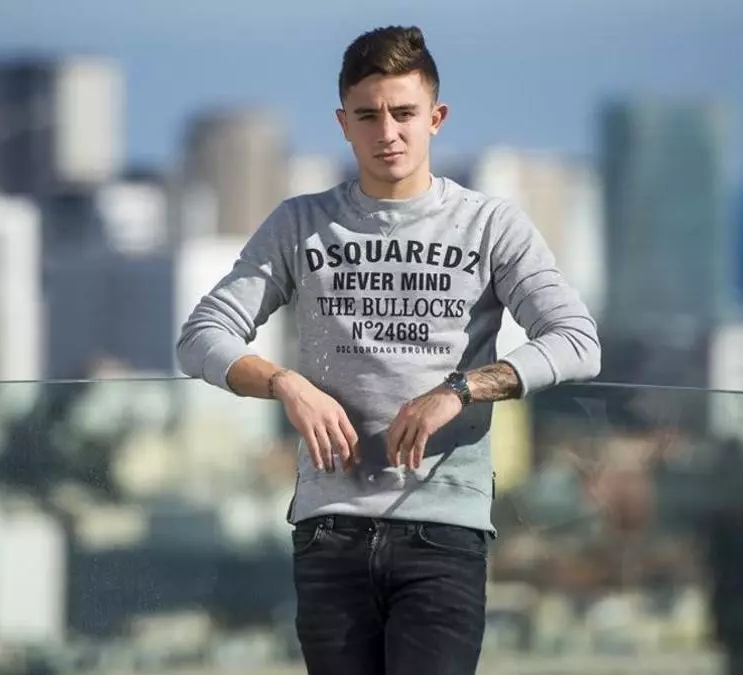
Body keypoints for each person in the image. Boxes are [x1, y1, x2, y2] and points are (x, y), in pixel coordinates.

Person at [176, 24, 601, 675]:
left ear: (436, 118)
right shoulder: (301, 224)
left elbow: (577, 342)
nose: (388, 133)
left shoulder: (490, 225)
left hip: (444, 531)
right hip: (330, 529)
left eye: (404, 113)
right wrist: (287, 383)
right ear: (343, 124)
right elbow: (201, 337)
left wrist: (460, 389)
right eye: (369, 116)